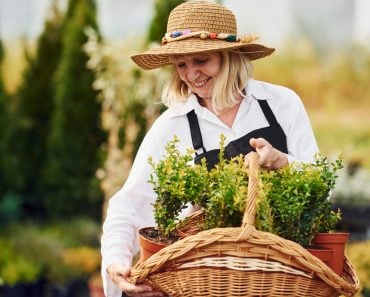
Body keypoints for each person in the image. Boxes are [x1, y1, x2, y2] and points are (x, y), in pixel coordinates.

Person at [101, 1, 319, 296]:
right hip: (204, 282)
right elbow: (128, 207)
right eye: (181, 64)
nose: (191, 75)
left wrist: (282, 162)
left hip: (279, 277)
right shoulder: (172, 126)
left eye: (201, 60)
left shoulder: (282, 104)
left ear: (229, 57)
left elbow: (322, 186)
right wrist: (117, 263)